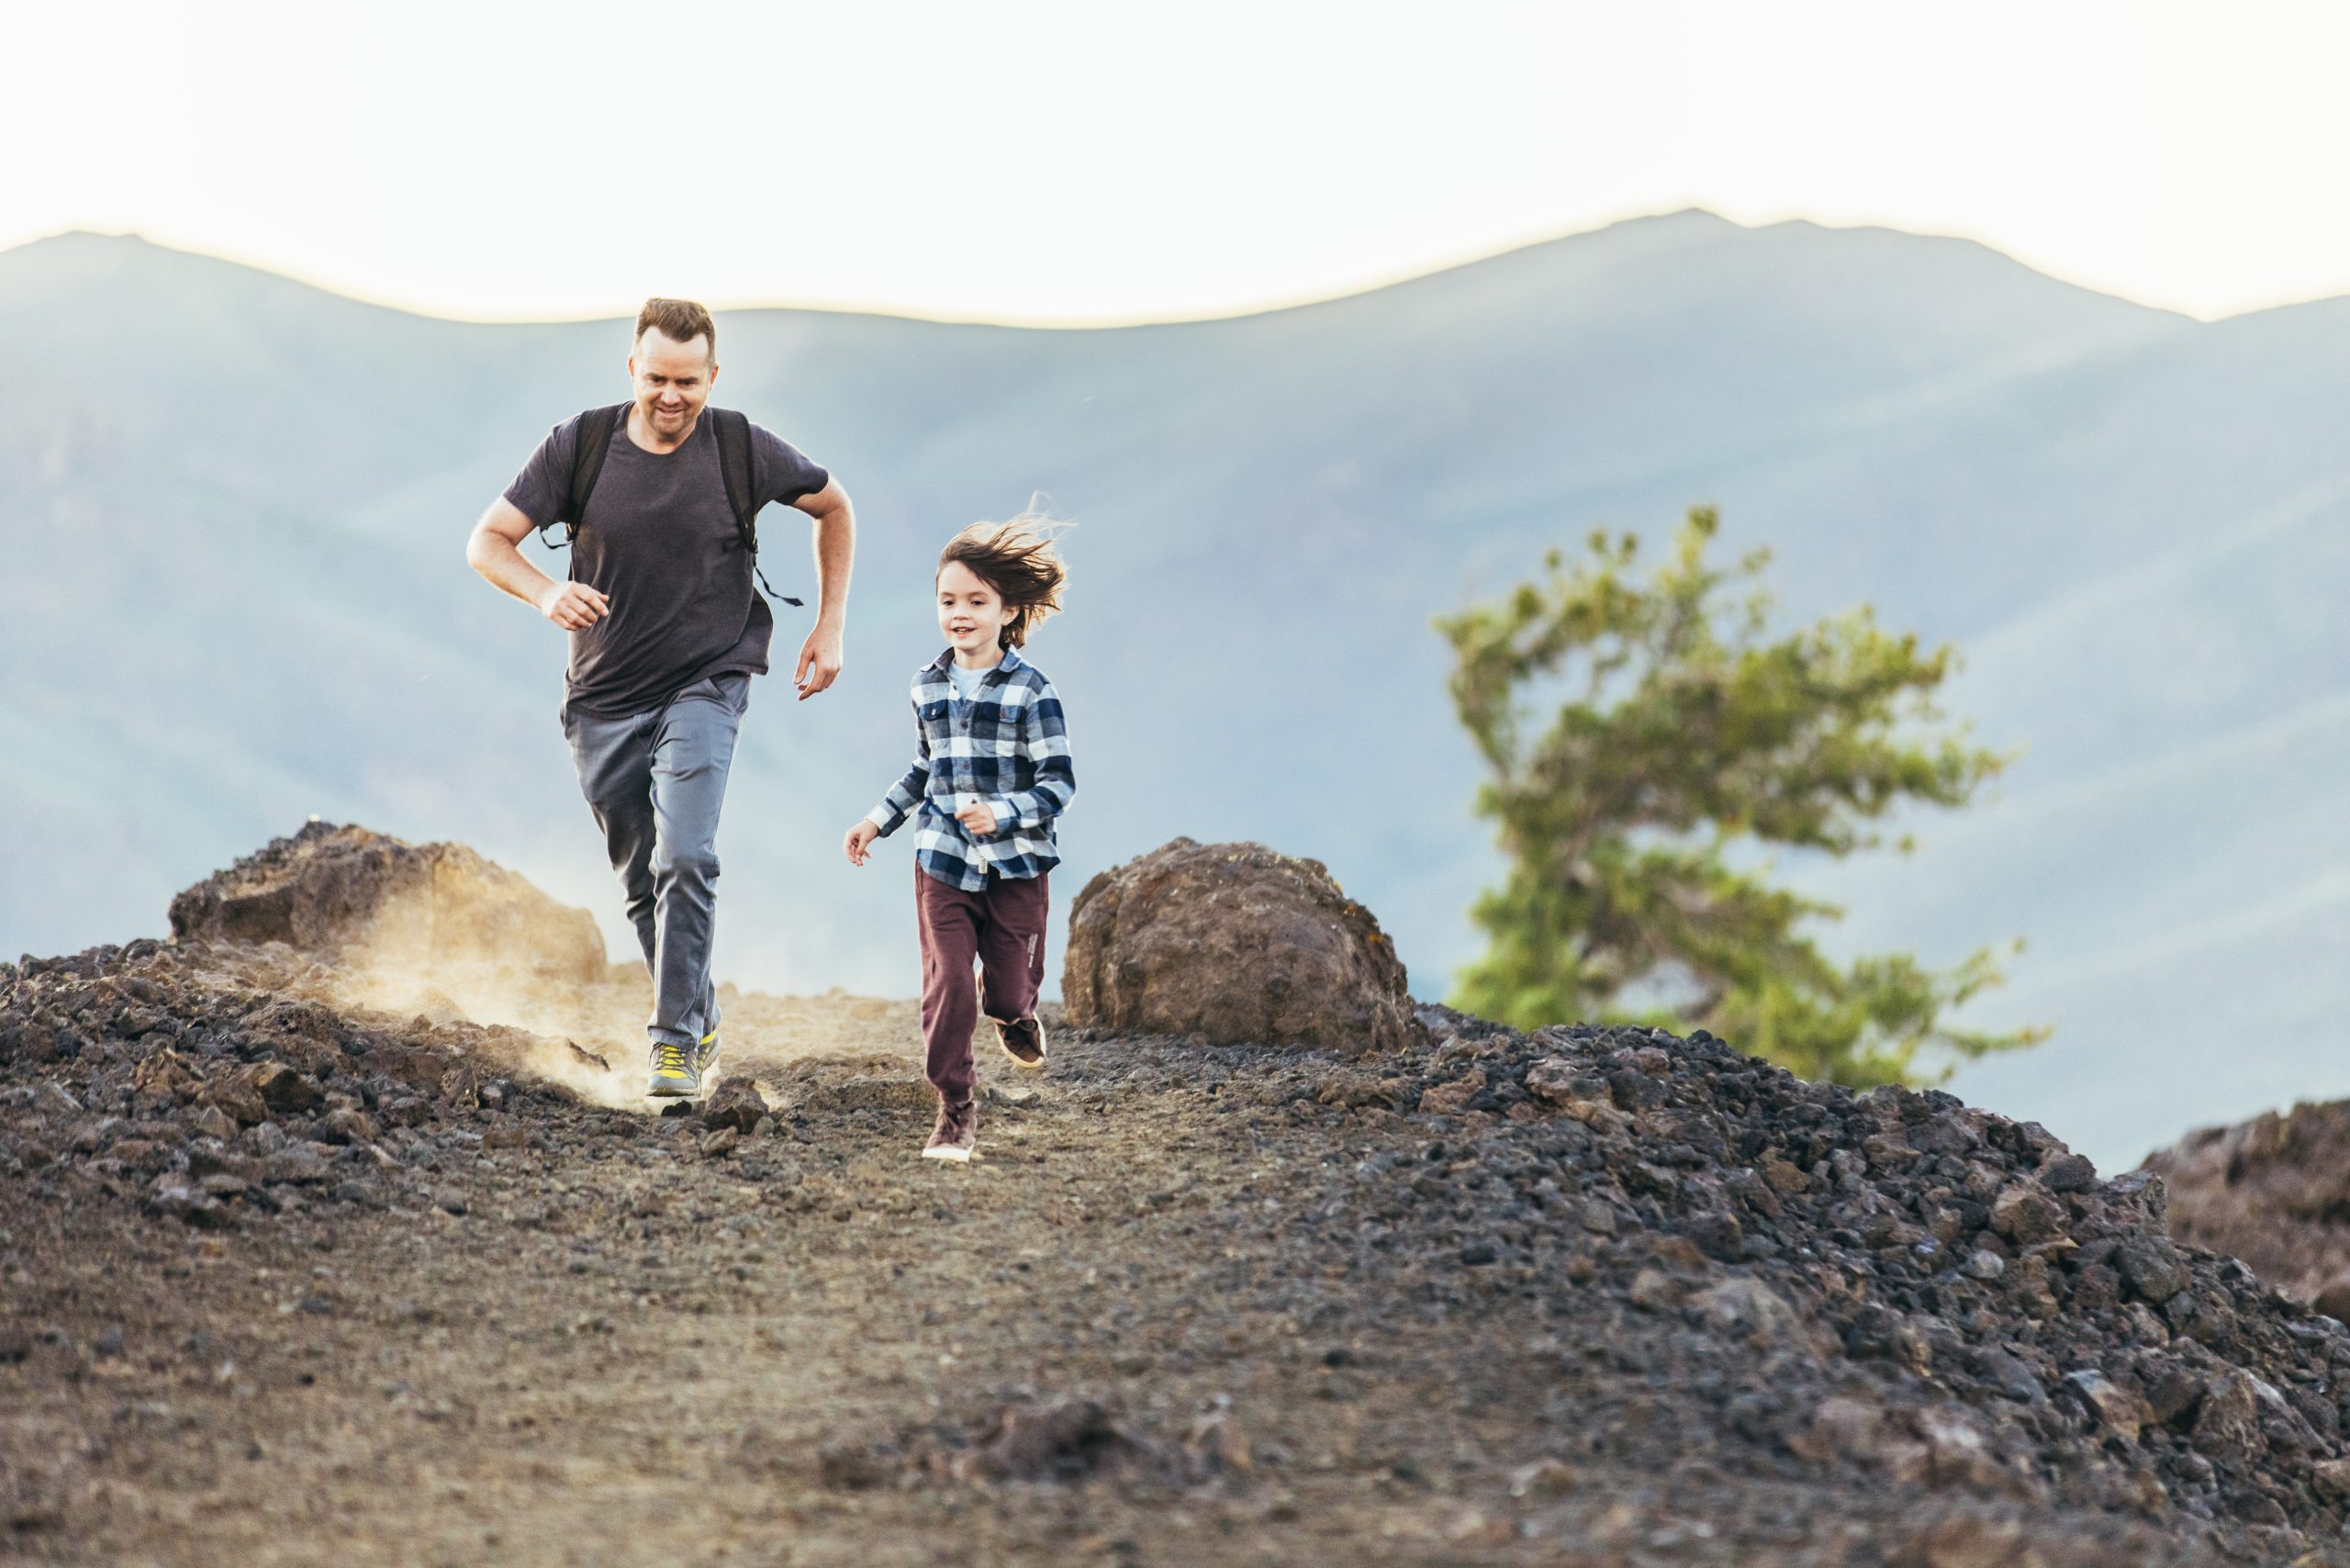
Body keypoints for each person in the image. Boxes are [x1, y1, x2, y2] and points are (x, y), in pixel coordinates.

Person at [464, 297, 855, 1097]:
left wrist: (830, 625)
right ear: (631, 371)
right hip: (603, 697)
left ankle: (672, 1046)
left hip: (706, 682)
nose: (670, 396)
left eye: (688, 381)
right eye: (656, 379)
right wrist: (545, 594)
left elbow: (832, 505)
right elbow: (487, 542)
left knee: (688, 856)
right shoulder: (581, 445)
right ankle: (699, 1016)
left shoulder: (740, 446)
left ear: (713, 375)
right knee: (645, 880)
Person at [844, 521, 1074, 1161]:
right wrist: (875, 821)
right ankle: (956, 1109)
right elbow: (925, 769)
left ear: (1008, 611)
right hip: (941, 860)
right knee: (947, 978)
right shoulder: (927, 686)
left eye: (976, 602)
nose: (960, 614)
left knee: (1004, 987)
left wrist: (1003, 814)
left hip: (1018, 866)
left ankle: (1015, 1013)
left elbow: (1060, 785)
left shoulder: (1034, 692)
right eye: (948, 601)